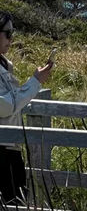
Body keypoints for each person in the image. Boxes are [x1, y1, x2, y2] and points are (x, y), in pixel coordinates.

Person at [0, 12, 54, 205]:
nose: (11, 38)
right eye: (7, 33)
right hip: (3, 149)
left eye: (12, 32)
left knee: (17, 201)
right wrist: (35, 83)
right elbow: (6, 106)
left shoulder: (6, 65)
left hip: (11, 147)